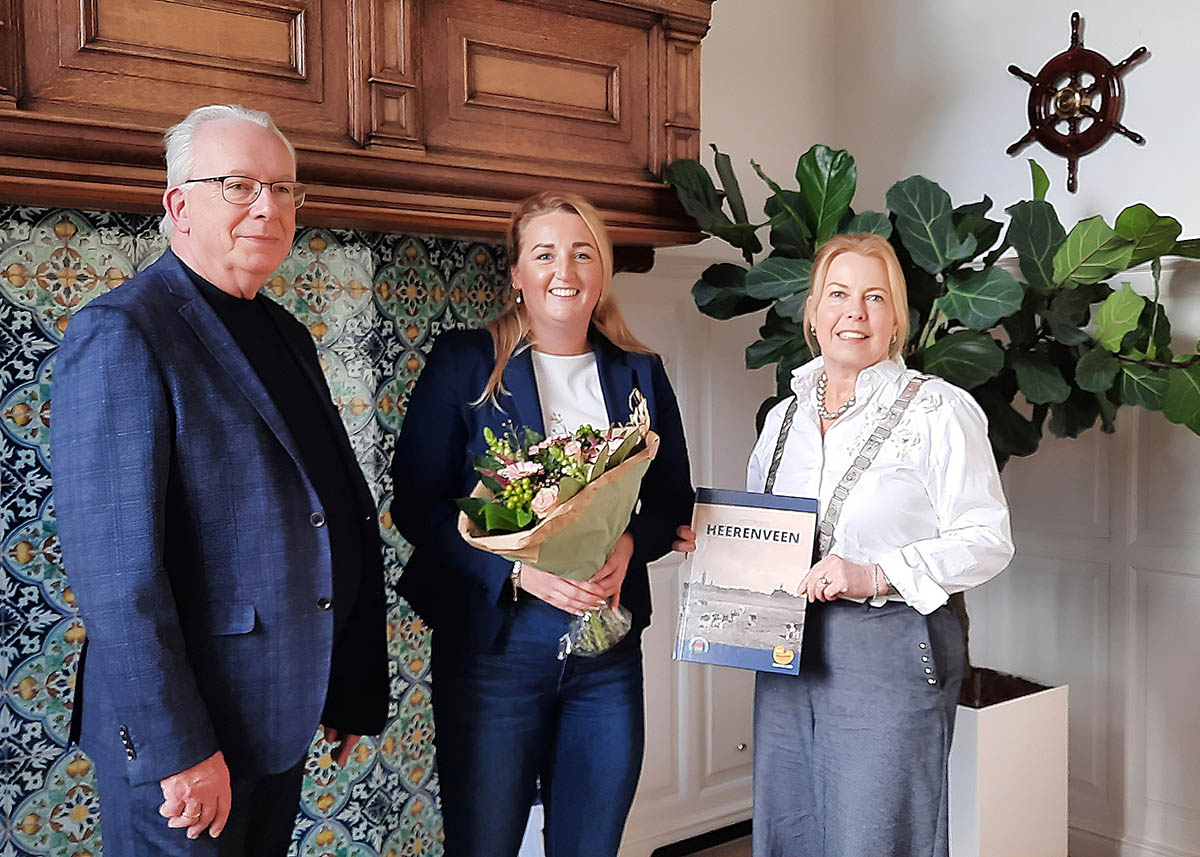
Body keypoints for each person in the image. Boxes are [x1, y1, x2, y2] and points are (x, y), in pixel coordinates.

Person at [51, 104, 388, 856]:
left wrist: (345, 679)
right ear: (178, 205)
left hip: (276, 712)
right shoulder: (124, 331)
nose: (267, 206)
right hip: (190, 740)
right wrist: (179, 750)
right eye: (238, 185)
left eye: (284, 188)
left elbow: (322, 509)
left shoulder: (284, 331)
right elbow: (117, 577)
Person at [674, 233, 1014, 857]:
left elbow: (988, 540)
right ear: (812, 312)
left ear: (895, 322)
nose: (853, 312)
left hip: (889, 648)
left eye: (874, 297)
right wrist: (719, 549)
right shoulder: (783, 420)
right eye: (838, 294)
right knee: (788, 828)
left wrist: (876, 575)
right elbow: (769, 531)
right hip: (785, 649)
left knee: (874, 836)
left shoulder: (938, 410)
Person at [391, 191, 694, 857]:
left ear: (602, 270)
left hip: (606, 659)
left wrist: (630, 541)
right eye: (546, 254)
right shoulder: (465, 362)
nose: (567, 270)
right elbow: (416, 502)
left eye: (584, 253)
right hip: (496, 654)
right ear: (518, 274)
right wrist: (518, 568)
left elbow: (673, 499)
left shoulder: (640, 372)